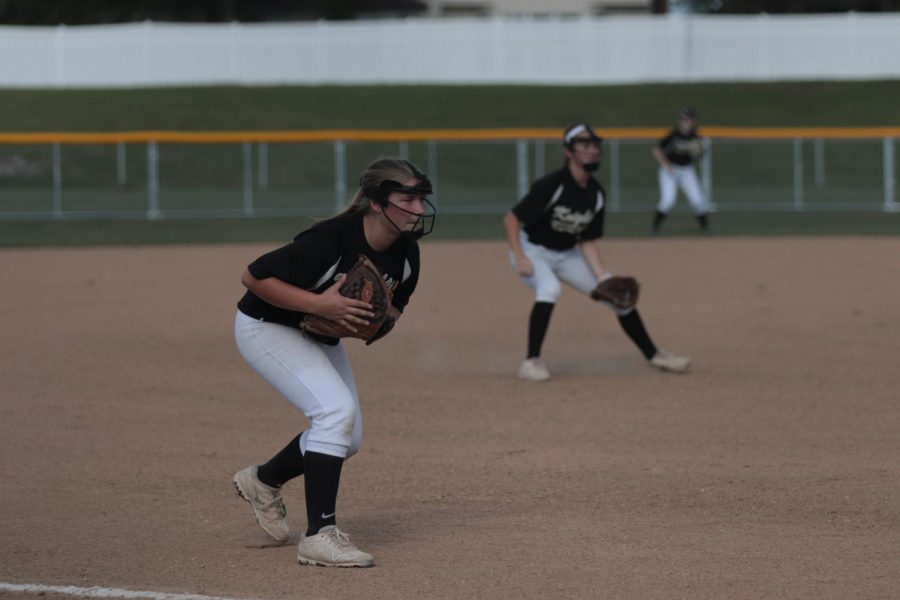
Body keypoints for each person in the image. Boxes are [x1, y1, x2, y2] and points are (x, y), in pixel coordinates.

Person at [231, 157, 435, 567]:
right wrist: (321, 303)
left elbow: (388, 317)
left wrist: (373, 324)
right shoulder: (330, 239)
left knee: (348, 438)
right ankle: (319, 535)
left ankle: (263, 480)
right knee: (334, 413)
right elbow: (254, 277)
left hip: (320, 336)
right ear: (377, 203)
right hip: (266, 326)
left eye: (421, 199)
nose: (418, 208)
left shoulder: (407, 256)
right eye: (407, 199)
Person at [503, 123, 690, 381]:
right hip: (532, 250)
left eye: (595, 145)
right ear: (569, 151)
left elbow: (587, 240)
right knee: (549, 289)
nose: (592, 150)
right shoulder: (551, 185)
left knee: (617, 296)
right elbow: (512, 218)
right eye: (584, 145)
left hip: (567, 254)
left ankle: (654, 355)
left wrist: (602, 276)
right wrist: (520, 257)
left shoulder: (596, 194)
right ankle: (531, 361)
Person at [651, 106, 712, 235]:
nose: (688, 122)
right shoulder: (673, 135)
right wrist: (666, 165)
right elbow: (657, 150)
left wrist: (697, 151)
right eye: (685, 119)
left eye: (690, 119)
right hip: (670, 169)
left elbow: (701, 155)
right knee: (668, 200)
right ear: (680, 120)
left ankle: (705, 228)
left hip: (687, 170)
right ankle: (654, 229)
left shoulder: (696, 136)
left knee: (697, 200)